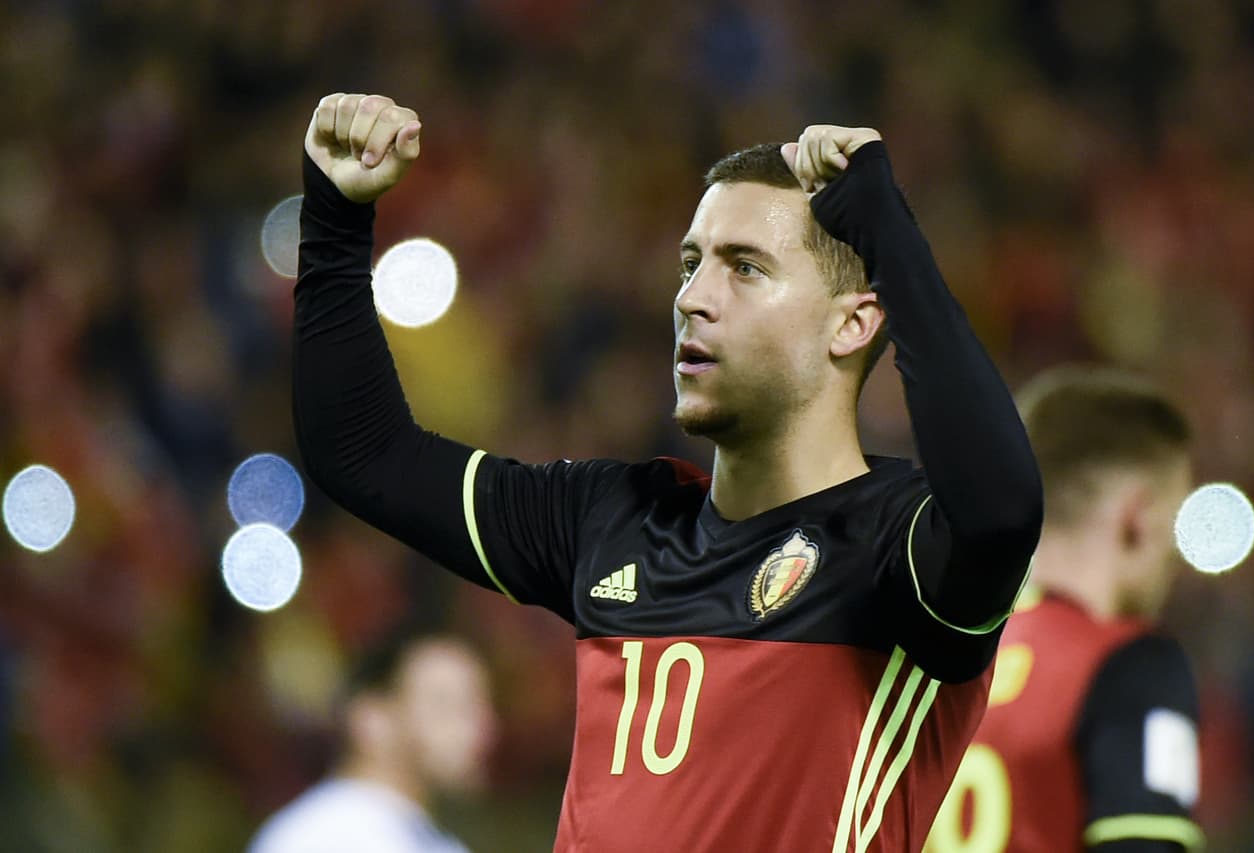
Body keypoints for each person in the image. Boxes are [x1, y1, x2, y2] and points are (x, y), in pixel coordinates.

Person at [292, 93, 1043, 852]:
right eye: (691, 265)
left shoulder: (899, 550)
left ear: (853, 322)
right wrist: (334, 218)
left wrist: (891, 239)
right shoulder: (611, 517)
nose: (693, 299)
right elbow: (364, 454)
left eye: (745, 269)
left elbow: (1002, 510)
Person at [924, 365, 1203, 853]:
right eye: (1173, 521)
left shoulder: (937, 672)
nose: (1173, 555)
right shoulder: (1134, 666)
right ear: (1137, 516)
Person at [248, 626, 496, 853]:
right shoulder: (323, 837)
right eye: (448, 704)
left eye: (480, 706)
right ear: (371, 718)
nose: (482, 727)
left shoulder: (421, 837)